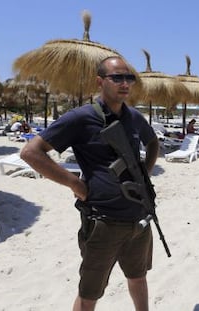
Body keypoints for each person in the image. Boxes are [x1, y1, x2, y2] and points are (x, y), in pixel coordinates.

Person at [20, 56, 160, 311]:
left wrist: (145, 175)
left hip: (139, 218)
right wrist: (75, 184)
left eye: (129, 78)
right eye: (117, 77)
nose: (125, 83)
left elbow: (153, 143)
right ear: (100, 81)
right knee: (90, 292)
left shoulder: (134, 117)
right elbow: (31, 152)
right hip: (103, 222)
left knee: (138, 277)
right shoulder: (81, 118)